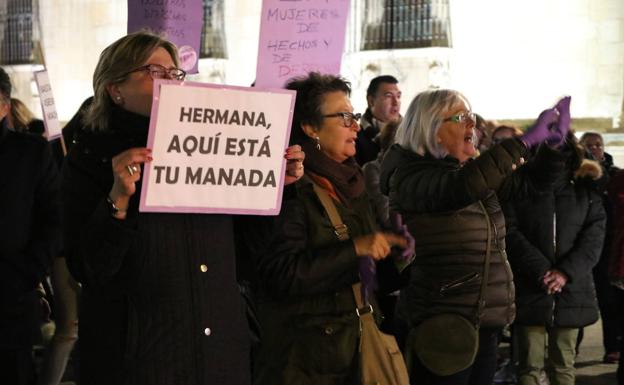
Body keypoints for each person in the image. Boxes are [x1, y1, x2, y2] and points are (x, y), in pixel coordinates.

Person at [61, 32, 304, 385]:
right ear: (115, 88)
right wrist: (118, 199)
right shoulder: (90, 158)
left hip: (218, 351)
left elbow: (252, 252)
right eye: (154, 71)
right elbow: (89, 268)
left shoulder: (215, 146)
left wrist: (275, 190)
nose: (170, 82)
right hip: (140, 356)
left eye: (175, 74)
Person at [379, 89, 571, 384]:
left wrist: (552, 148)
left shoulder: (467, 171)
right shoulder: (410, 176)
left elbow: (529, 186)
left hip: (483, 320)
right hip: (443, 323)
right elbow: (460, 187)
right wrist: (522, 142)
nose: (472, 125)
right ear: (432, 129)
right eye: (460, 118)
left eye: (471, 116)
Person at [253, 72, 409, 385]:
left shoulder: (351, 182)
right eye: (344, 117)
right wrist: (357, 249)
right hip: (308, 362)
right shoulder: (290, 186)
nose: (355, 125)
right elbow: (282, 273)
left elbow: (368, 269)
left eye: (355, 116)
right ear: (310, 128)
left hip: (352, 348)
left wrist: (401, 254)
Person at [504, 133, 605, 385]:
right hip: (530, 287)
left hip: (571, 289)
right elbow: (510, 232)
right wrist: (542, 271)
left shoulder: (587, 191)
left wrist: (564, 273)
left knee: (563, 365)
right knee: (528, 366)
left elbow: (593, 240)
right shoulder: (520, 188)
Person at [0, 67, 62, 385]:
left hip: (9, 302)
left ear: (4, 105)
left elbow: (52, 219)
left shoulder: (31, 153)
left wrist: (25, 274)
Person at [579, 131, 622, 363]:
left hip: (607, 245)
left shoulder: (614, 175)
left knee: (609, 298)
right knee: (576, 296)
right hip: (579, 244)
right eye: (589, 145)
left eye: (598, 144)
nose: (594, 148)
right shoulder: (574, 175)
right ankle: (572, 346)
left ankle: (612, 345)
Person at [356, 75, 401, 166]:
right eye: (389, 96)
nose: (395, 102)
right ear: (371, 101)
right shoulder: (356, 138)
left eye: (398, 96)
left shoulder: (409, 134)